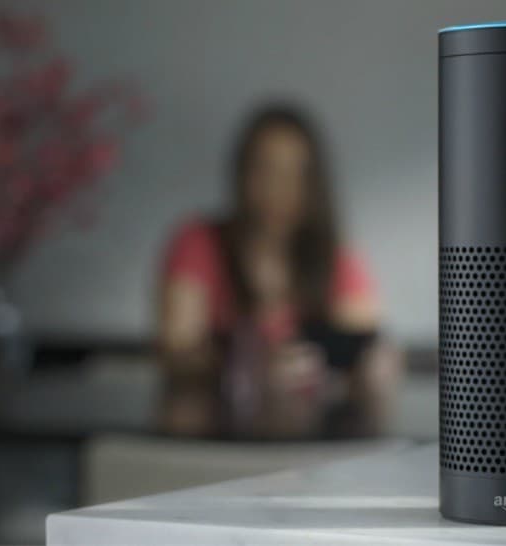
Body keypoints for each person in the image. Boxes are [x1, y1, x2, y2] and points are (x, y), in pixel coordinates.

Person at [156, 103, 401, 439]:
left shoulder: (335, 258)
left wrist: (371, 370)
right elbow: (177, 350)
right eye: (265, 170)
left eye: (294, 174)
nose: (278, 188)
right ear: (241, 172)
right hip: (213, 440)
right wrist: (245, 366)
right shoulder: (198, 241)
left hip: (311, 448)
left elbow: (365, 342)